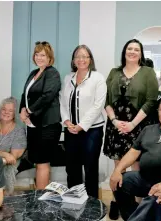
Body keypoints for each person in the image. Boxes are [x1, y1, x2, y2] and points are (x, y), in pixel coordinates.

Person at [104, 39, 159, 219]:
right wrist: (114, 121)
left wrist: (132, 124)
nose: (133, 52)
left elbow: (151, 101)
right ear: (124, 51)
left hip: (138, 125)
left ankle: (139, 211)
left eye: (136, 49)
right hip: (116, 126)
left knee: (136, 168)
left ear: (141, 54)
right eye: (129, 48)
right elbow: (106, 100)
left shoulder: (148, 72)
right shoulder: (114, 72)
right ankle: (120, 204)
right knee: (119, 168)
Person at [60, 45, 107, 198]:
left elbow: (98, 105)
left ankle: (92, 205)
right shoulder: (68, 78)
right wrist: (67, 121)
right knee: (72, 168)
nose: (81, 59)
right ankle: (74, 201)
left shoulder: (97, 78)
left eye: (85, 56)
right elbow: (62, 102)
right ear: (73, 61)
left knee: (90, 168)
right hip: (71, 129)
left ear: (90, 59)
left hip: (92, 130)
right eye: (77, 57)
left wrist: (81, 126)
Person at [19, 41, 62, 189]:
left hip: (47, 125)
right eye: (37, 54)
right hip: (33, 125)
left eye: (42, 55)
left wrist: (29, 110)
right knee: (37, 161)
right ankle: (39, 196)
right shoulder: (34, 73)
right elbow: (25, 94)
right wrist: (22, 109)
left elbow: (47, 96)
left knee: (43, 163)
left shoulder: (52, 73)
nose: (39, 57)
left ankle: (41, 201)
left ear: (49, 57)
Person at [0, 97, 26, 195]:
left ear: (14, 113)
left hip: (9, 163)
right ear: (0, 110)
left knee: (5, 169)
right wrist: (5, 154)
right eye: (4, 109)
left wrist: (4, 156)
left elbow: (12, 157)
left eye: (10, 110)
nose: (6, 112)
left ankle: (3, 199)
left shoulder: (19, 130)